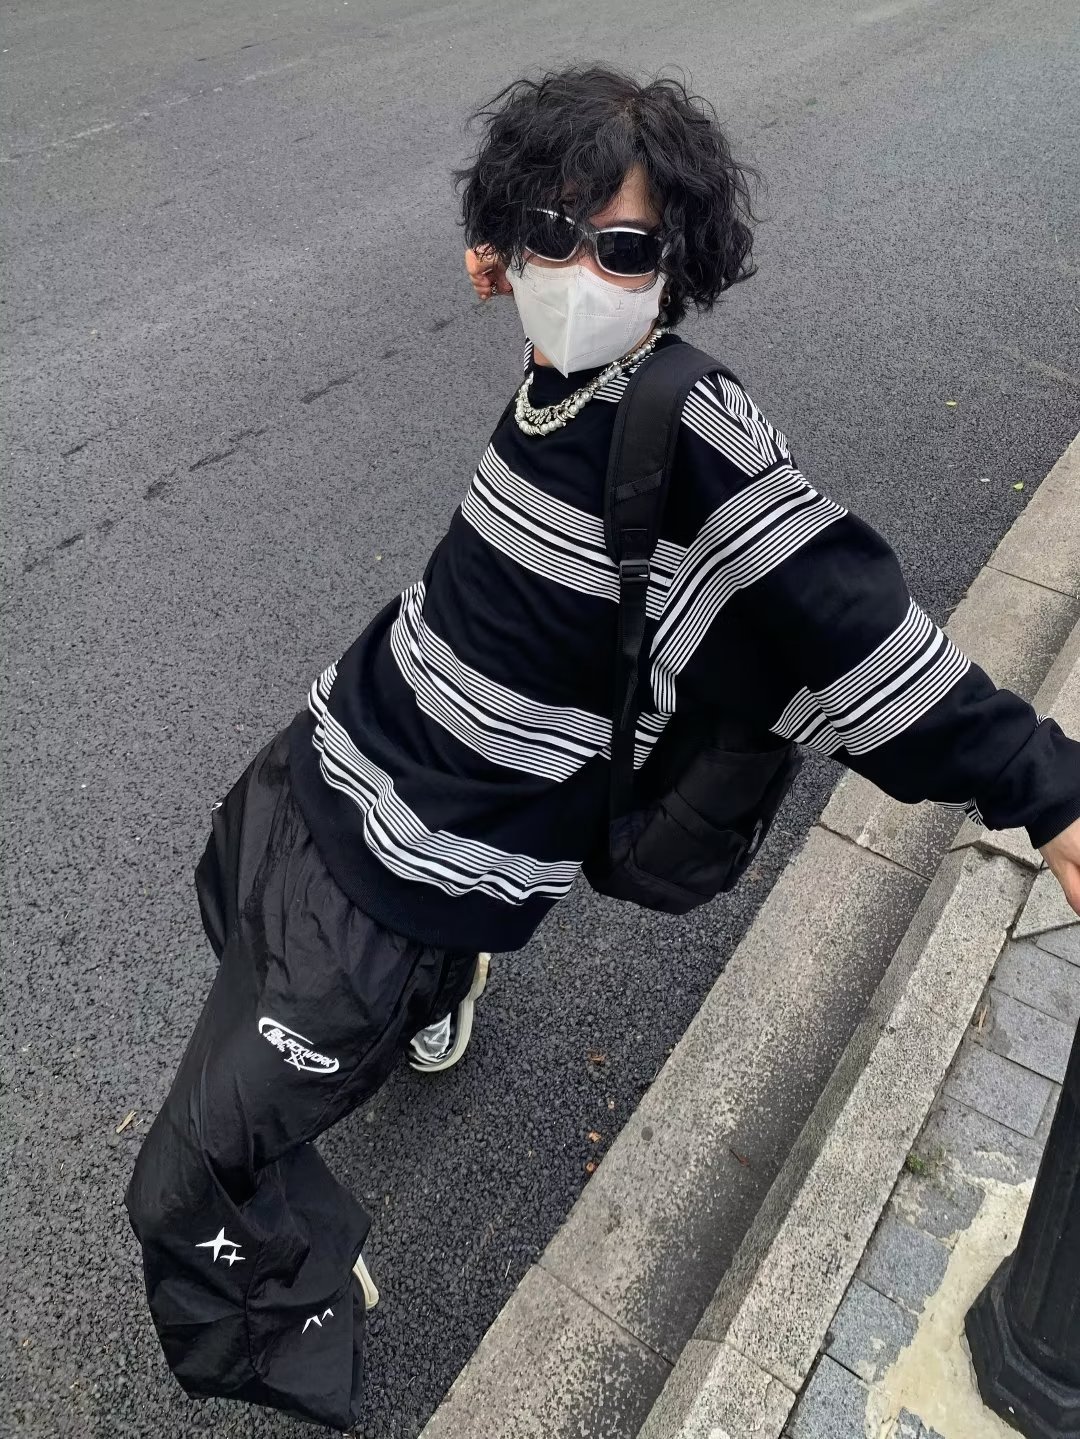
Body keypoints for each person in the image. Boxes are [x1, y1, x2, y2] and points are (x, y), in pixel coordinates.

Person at [125, 66, 1080, 1431]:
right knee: (231, 897)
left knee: (187, 1176)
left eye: (623, 248)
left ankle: (299, 1303)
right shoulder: (559, 370)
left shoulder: (685, 422)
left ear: (676, 264)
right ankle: (433, 995)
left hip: (426, 865)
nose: (580, 272)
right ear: (503, 245)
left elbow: (851, 620)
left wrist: (1048, 789)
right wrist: (502, 253)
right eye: (549, 234)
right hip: (341, 749)